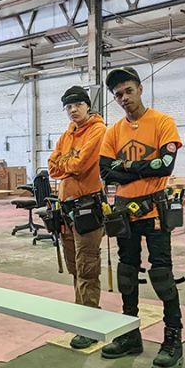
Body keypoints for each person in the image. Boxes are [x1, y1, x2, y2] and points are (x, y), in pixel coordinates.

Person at [99, 67, 183, 368]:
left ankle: (172, 338)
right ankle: (129, 334)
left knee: (162, 274)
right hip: (124, 213)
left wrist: (127, 166)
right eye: (118, 94)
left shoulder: (162, 122)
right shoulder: (113, 131)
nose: (123, 98)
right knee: (126, 272)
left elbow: (166, 165)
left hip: (155, 212)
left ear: (140, 89)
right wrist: (145, 166)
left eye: (128, 91)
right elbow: (106, 172)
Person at [48, 86, 106, 349]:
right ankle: (81, 313)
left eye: (77, 105)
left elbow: (80, 165)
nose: (73, 110)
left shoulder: (97, 130)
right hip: (66, 208)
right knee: (74, 266)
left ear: (87, 106)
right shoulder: (67, 134)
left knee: (87, 266)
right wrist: (66, 165)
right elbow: (51, 165)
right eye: (68, 107)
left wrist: (66, 164)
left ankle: (90, 323)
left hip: (87, 208)